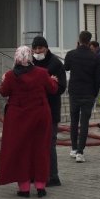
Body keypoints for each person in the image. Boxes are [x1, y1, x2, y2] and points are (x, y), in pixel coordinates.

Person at [0, 46, 58, 197]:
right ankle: (40, 186)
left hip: (18, 118)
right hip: (40, 116)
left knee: (21, 151)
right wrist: (54, 81)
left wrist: (3, 80)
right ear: (30, 58)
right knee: (40, 150)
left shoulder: (11, 76)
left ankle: (24, 188)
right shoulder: (42, 73)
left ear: (16, 58)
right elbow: (52, 89)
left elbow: (4, 92)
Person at [31, 36, 67, 187]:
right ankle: (35, 174)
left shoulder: (55, 64)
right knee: (34, 144)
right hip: (33, 110)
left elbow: (61, 87)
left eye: (41, 48)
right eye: (35, 49)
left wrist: (49, 85)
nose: (38, 51)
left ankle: (53, 176)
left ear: (46, 48)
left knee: (49, 143)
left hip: (51, 109)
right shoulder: (30, 63)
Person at [64, 31, 100, 163]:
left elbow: (66, 67)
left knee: (74, 121)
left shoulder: (71, 54)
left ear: (78, 40)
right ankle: (80, 152)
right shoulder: (95, 57)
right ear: (90, 41)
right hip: (89, 93)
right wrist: (94, 93)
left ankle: (73, 148)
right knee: (84, 122)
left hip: (74, 92)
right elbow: (98, 78)